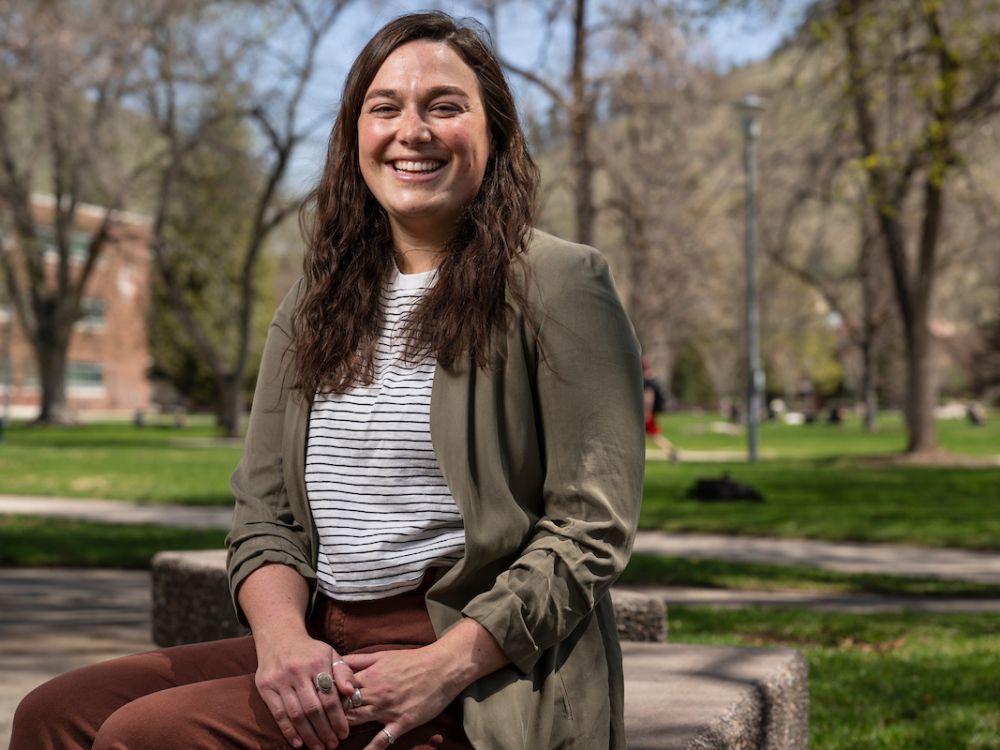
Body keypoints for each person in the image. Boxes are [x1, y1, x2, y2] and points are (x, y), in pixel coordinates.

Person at [11, 11, 644, 750]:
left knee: (141, 736)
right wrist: (281, 643)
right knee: (53, 715)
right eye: (386, 108)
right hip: (324, 640)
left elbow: (590, 529)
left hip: (478, 660)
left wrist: (442, 665)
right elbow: (264, 513)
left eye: (445, 106)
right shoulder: (317, 302)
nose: (414, 130)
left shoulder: (560, 284)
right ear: (355, 137)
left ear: (494, 133)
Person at [642, 357, 676, 461]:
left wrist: (647, 412)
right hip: (652, 411)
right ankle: (671, 451)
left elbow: (649, 397)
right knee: (653, 436)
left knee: (654, 436)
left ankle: (671, 451)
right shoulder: (653, 377)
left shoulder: (647, 380)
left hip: (648, 412)